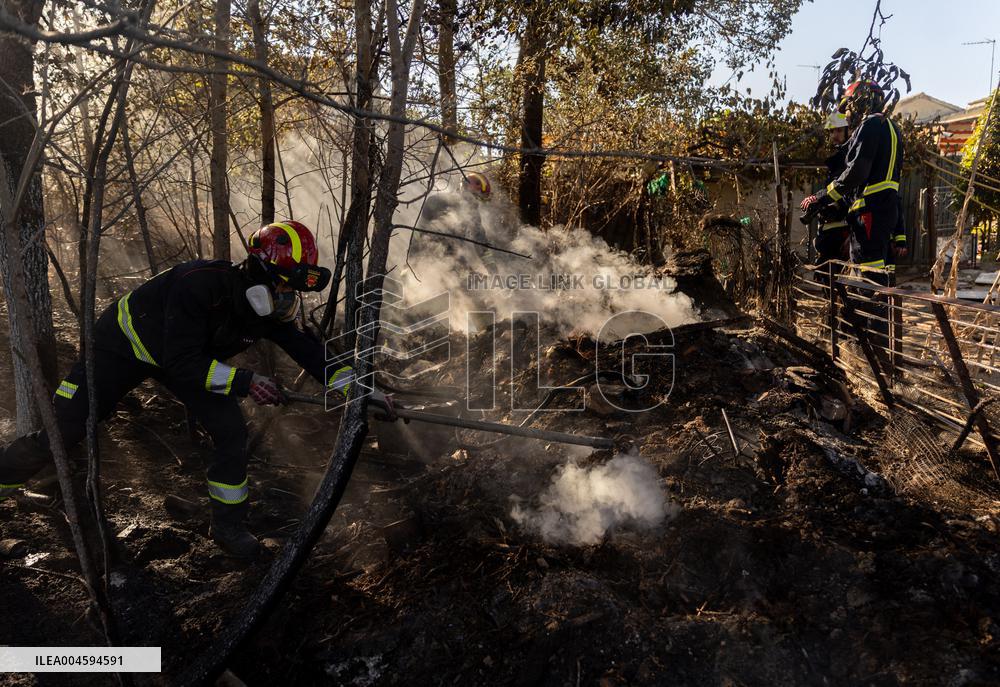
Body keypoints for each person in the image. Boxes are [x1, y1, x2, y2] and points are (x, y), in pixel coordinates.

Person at [0, 221, 389, 558]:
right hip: (123, 345)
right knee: (67, 427)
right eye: (282, 286)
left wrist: (359, 391)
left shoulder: (267, 307)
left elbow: (309, 351)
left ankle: (227, 528)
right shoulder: (198, 284)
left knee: (231, 431)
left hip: (187, 357)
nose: (286, 298)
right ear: (256, 271)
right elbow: (180, 363)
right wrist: (245, 381)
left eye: (292, 290)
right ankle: (4, 481)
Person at [412, 171, 498, 273]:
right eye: (476, 197)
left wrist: (492, 269)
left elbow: (481, 243)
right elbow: (443, 242)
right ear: (466, 190)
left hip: (448, 262)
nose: (476, 203)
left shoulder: (473, 215)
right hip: (428, 261)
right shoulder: (438, 202)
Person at [810, 112, 852, 279]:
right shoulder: (836, 158)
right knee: (824, 276)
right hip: (828, 232)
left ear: (848, 131)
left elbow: (848, 193)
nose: (834, 135)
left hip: (843, 232)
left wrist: (850, 235)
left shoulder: (850, 157)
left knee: (839, 279)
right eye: (832, 131)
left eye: (839, 131)